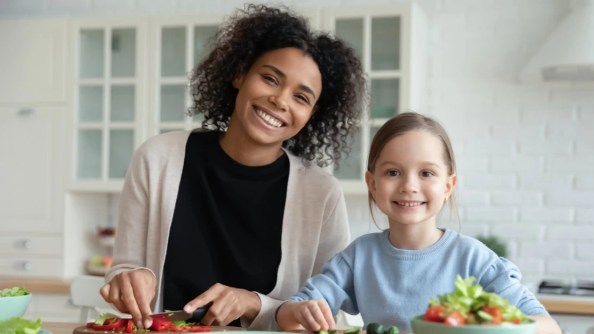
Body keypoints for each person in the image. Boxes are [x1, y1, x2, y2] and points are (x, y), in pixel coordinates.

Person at [100, 3, 366, 331]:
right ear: (240, 74)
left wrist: (253, 303)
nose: (281, 101)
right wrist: (127, 279)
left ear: (312, 114)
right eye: (270, 78)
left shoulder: (321, 194)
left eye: (301, 97)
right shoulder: (157, 160)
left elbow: (325, 312)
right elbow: (123, 269)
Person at [276, 112, 562, 334]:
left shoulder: (475, 260)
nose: (409, 186)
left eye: (426, 173)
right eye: (393, 172)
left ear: (448, 186)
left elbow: (549, 327)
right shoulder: (357, 258)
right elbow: (293, 311)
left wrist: (487, 327)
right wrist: (299, 313)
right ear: (372, 184)